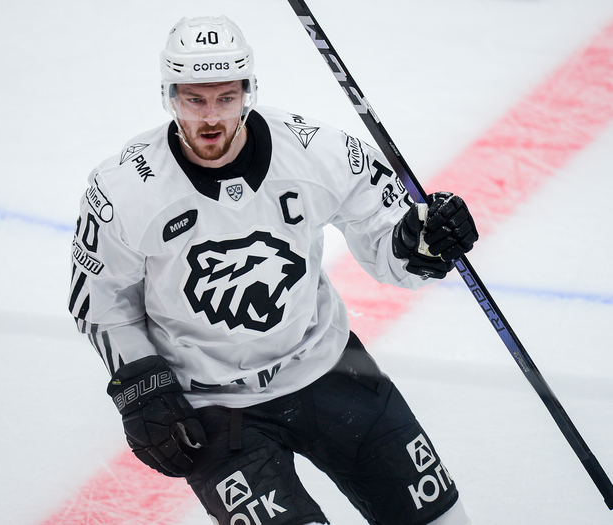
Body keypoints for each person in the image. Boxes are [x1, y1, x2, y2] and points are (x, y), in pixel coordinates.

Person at [68, 15, 478, 525]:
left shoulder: (319, 153)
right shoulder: (124, 190)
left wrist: (424, 241)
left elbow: (392, 251)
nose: (211, 117)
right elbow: (102, 306)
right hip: (214, 405)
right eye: (195, 100)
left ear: (249, 91)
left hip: (330, 367)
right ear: (169, 96)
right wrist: (142, 387)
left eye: (226, 97)